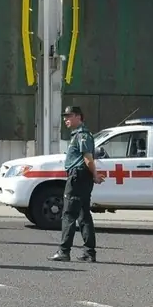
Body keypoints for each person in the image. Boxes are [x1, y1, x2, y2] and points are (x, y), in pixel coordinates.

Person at [50, 106, 103, 263]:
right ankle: (89, 252)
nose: (66, 119)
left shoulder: (82, 135)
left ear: (79, 117)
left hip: (77, 177)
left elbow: (87, 158)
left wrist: (94, 174)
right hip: (82, 177)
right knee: (83, 214)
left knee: (68, 214)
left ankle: (64, 251)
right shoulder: (79, 135)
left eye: (69, 116)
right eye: (65, 116)